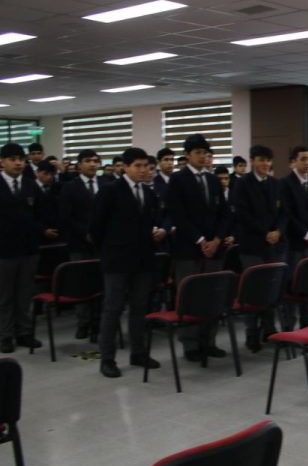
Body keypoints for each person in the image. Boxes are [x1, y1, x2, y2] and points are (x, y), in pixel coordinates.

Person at [89, 148, 165, 378]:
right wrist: (110, 250)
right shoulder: (110, 191)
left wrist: (158, 231)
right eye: (138, 166)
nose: (143, 170)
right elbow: (96, 228)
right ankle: (107, 358)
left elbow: (152, 221)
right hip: (117, 259)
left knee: (140, 307)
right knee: (113, 308)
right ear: (126, 167)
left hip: (143, 259)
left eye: (146, 166)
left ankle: (138, 352)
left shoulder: (148, 193)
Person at [166, 133, 229, 361]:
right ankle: (190, 343)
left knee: (212, 295)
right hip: (189, 248)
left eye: (206, 153)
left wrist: (217, 240)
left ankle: (209, 340)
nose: (203, 157)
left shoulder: (213, 180)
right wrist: (201, 240)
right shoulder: (178, 179)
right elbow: (178, 215)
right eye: (198, 153)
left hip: (214, 248)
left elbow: (223, 213)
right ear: (187, 155)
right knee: (190, 295)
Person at [231, 145, 287, 351]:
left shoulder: (275, 183)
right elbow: (243, 215)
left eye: (268, 160)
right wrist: (265, 232)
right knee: (253, 289)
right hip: (252, 244)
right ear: (253, 161)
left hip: (274, 245)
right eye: (261, 160)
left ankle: (269, 329)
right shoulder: (243, 184)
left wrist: (278, 231)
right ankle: (251, 332)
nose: (265, 164)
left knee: (271, 288)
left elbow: (284, 212)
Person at [0, 143, 43, 353]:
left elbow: (41, 214)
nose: (18, 163)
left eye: (21, 159)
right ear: (2, 161)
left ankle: (24, 332)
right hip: (3, 251)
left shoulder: (30, 185)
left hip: (28, 249)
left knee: (25, 294)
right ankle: (5, 335)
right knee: (4, 296)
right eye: (12, 159)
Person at [59, 149, 101, 339]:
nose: (92, 164)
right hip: (79, 243)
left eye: (95, 161)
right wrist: (85, 233)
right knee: (81, 284)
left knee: (100, 284)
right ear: (79, 165)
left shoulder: (106, 184)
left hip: (101, 244)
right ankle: (83, 323)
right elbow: (66, 217)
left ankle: (97, 323)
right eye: (88, 161)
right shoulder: (70, 187)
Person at [281, 146, 308, 329]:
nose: (307, 163)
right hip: (295, 242)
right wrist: (305, 233)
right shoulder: (285, 183)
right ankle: (288, 325)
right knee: (291, 284)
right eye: (303, 159)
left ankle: (306, 318)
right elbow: (288, 214)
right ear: (293, 162)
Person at [35, 160, 62, 244]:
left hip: (57, 233)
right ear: (38, 172)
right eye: (46, 173)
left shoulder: (56, 188)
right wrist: (42, 229)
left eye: (52, 174)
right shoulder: (30, 187)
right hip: (36, 234)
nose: (49, 177)